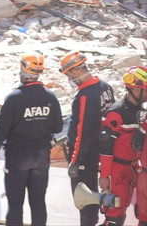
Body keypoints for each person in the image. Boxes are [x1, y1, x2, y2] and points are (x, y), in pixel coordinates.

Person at [0, 52, 63, 226]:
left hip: (17, 158)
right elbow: (58, 127)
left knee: (15, 205)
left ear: (22, 68)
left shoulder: (14, 98)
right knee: (38, 203)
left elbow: (1, 130)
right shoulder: (50, 97)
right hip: (41, 158)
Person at [61, 51, 115, 226]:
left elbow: (81, 133)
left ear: (75, 71)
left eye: (68, 74)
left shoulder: (85, 95)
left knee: (84, 203)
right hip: (100, 152)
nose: (69, 78)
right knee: (94, 201)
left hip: (84, 157)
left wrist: (75, 162)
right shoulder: (105, 87)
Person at [97, 65, 147, 226]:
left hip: (133, 168)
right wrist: (104, 176)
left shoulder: (141, 110)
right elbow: (105, 146)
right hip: (116, 170)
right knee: (114, 214)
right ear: (136, 90)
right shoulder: (117, 111)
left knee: (125, 211)